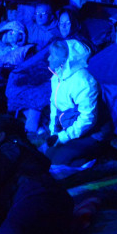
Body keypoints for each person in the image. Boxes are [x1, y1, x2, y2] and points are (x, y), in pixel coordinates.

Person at [43, 38, 110, 168]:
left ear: (65, 59)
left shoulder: (83, 81)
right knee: (46, 158)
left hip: (92, 133)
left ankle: (101, 154)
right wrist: (54, 132)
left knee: (57, 162)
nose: (48, 59)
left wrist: (63, 137)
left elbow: (87, 118)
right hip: (69, 129)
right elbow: (54, 107)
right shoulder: (57, 78)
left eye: (53, 55)